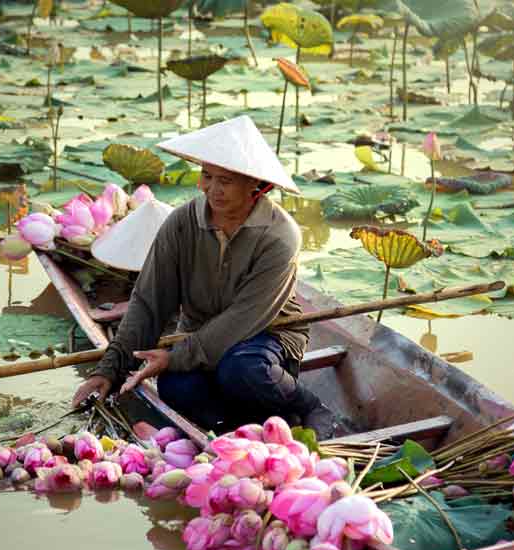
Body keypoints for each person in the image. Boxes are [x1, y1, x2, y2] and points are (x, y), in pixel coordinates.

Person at [70, 116, 336, 437]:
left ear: (257, 186)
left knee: (241, 369)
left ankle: (307, 407)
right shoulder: (181, 223)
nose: (212, 189)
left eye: (225, 181)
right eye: (207, 176)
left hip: (266, 335)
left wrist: (174, 356)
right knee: (176, 387)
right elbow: (149, 301)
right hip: (198, 332)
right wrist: (110, 369)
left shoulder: (279, 236)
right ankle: (239, 429)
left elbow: (243, 319)